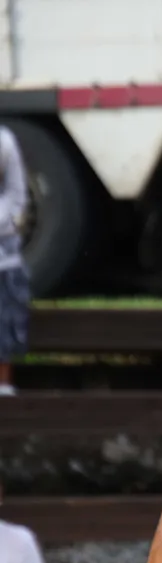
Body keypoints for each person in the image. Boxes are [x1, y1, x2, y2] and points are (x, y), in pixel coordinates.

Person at [0, 124, 29, 398]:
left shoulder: (4, 142)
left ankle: (3, 384)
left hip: (4, 260)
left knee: (5, 319)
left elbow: (17, 194)